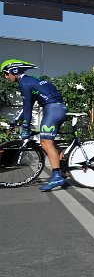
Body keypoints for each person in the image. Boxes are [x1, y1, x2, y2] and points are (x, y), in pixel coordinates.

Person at [1, 59, 68, 191]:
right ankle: (62, 166)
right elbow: (28, 107)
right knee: (50, 143)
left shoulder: (24, 83)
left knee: (45, 142)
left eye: (5, 73)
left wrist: (25, 127)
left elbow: (27, 108)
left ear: (14, 71)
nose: (5, 77)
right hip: (55, 108)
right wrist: (17, 121)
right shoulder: (29, 81)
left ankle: (57, 176)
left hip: (53, 109)